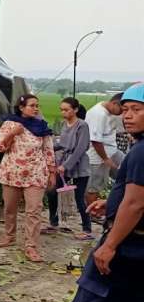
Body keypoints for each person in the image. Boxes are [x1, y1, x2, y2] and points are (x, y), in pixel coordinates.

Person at [71, 83, 144, 302]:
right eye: (124, 110)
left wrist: (110, 245)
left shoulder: (141, 152)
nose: (128, 116)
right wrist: (112, 202)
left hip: (125, 245)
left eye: (136, 109)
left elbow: (136, 204)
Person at [0, 94, 56, 262]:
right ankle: (9, 235)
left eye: (37, 105)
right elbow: (0, 147)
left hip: (36, 173)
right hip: (12, 172)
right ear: (21, 108)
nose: (36, 109)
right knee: (9, 207)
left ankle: (31, 246)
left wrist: (52, 172)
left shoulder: (42, 127)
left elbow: (48, 151)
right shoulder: (10, 124)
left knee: (34, 210)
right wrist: (12, 133)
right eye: (32, 105)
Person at [44, 97, 93, 240]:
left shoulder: (82, 125)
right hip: (63, 162)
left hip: (78, 164)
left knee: (79, 197)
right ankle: (53, 223)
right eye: (62, 110)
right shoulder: (64, 124)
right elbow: (62, 144)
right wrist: (47, 149)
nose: (63, 112)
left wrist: (66, 166)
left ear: (75, 110)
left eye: (66, 109)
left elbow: (80, 148)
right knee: (52, 190)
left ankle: (87, 229)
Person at [85, 94, 124, 209]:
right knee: (94, 186)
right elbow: (96, 141)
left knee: (127, 174)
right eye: (121, 109)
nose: (121, 113)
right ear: (114, 104)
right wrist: (105, 159)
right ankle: (93, 212)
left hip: (113, 150)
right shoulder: (98, 114)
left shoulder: (110, 112)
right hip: (97, 156)